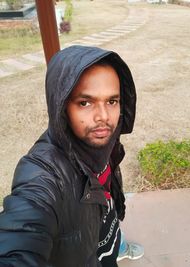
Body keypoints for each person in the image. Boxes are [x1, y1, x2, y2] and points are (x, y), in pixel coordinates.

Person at [0, 45, 141, 266]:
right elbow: (23, 232)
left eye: (112, 101)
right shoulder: (43, 174)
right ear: (62, 107)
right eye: (85, 103)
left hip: (104, 240)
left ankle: (118, 245)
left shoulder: (102, 139)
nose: (103, 117)